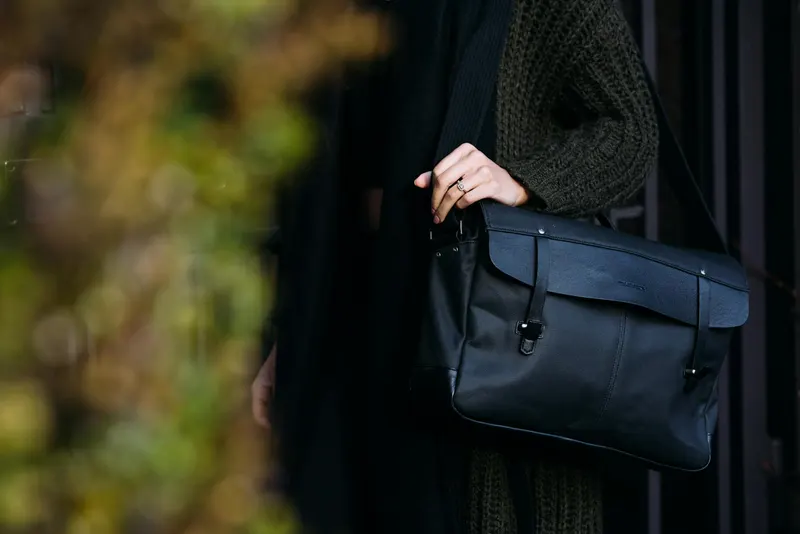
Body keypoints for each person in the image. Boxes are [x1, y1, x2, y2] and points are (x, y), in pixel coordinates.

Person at [253, 0, 659, 533]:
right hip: (351, 318)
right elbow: (325, 179)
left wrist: (519, 181)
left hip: (479, 328)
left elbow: (630, 129)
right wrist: (292, 333)